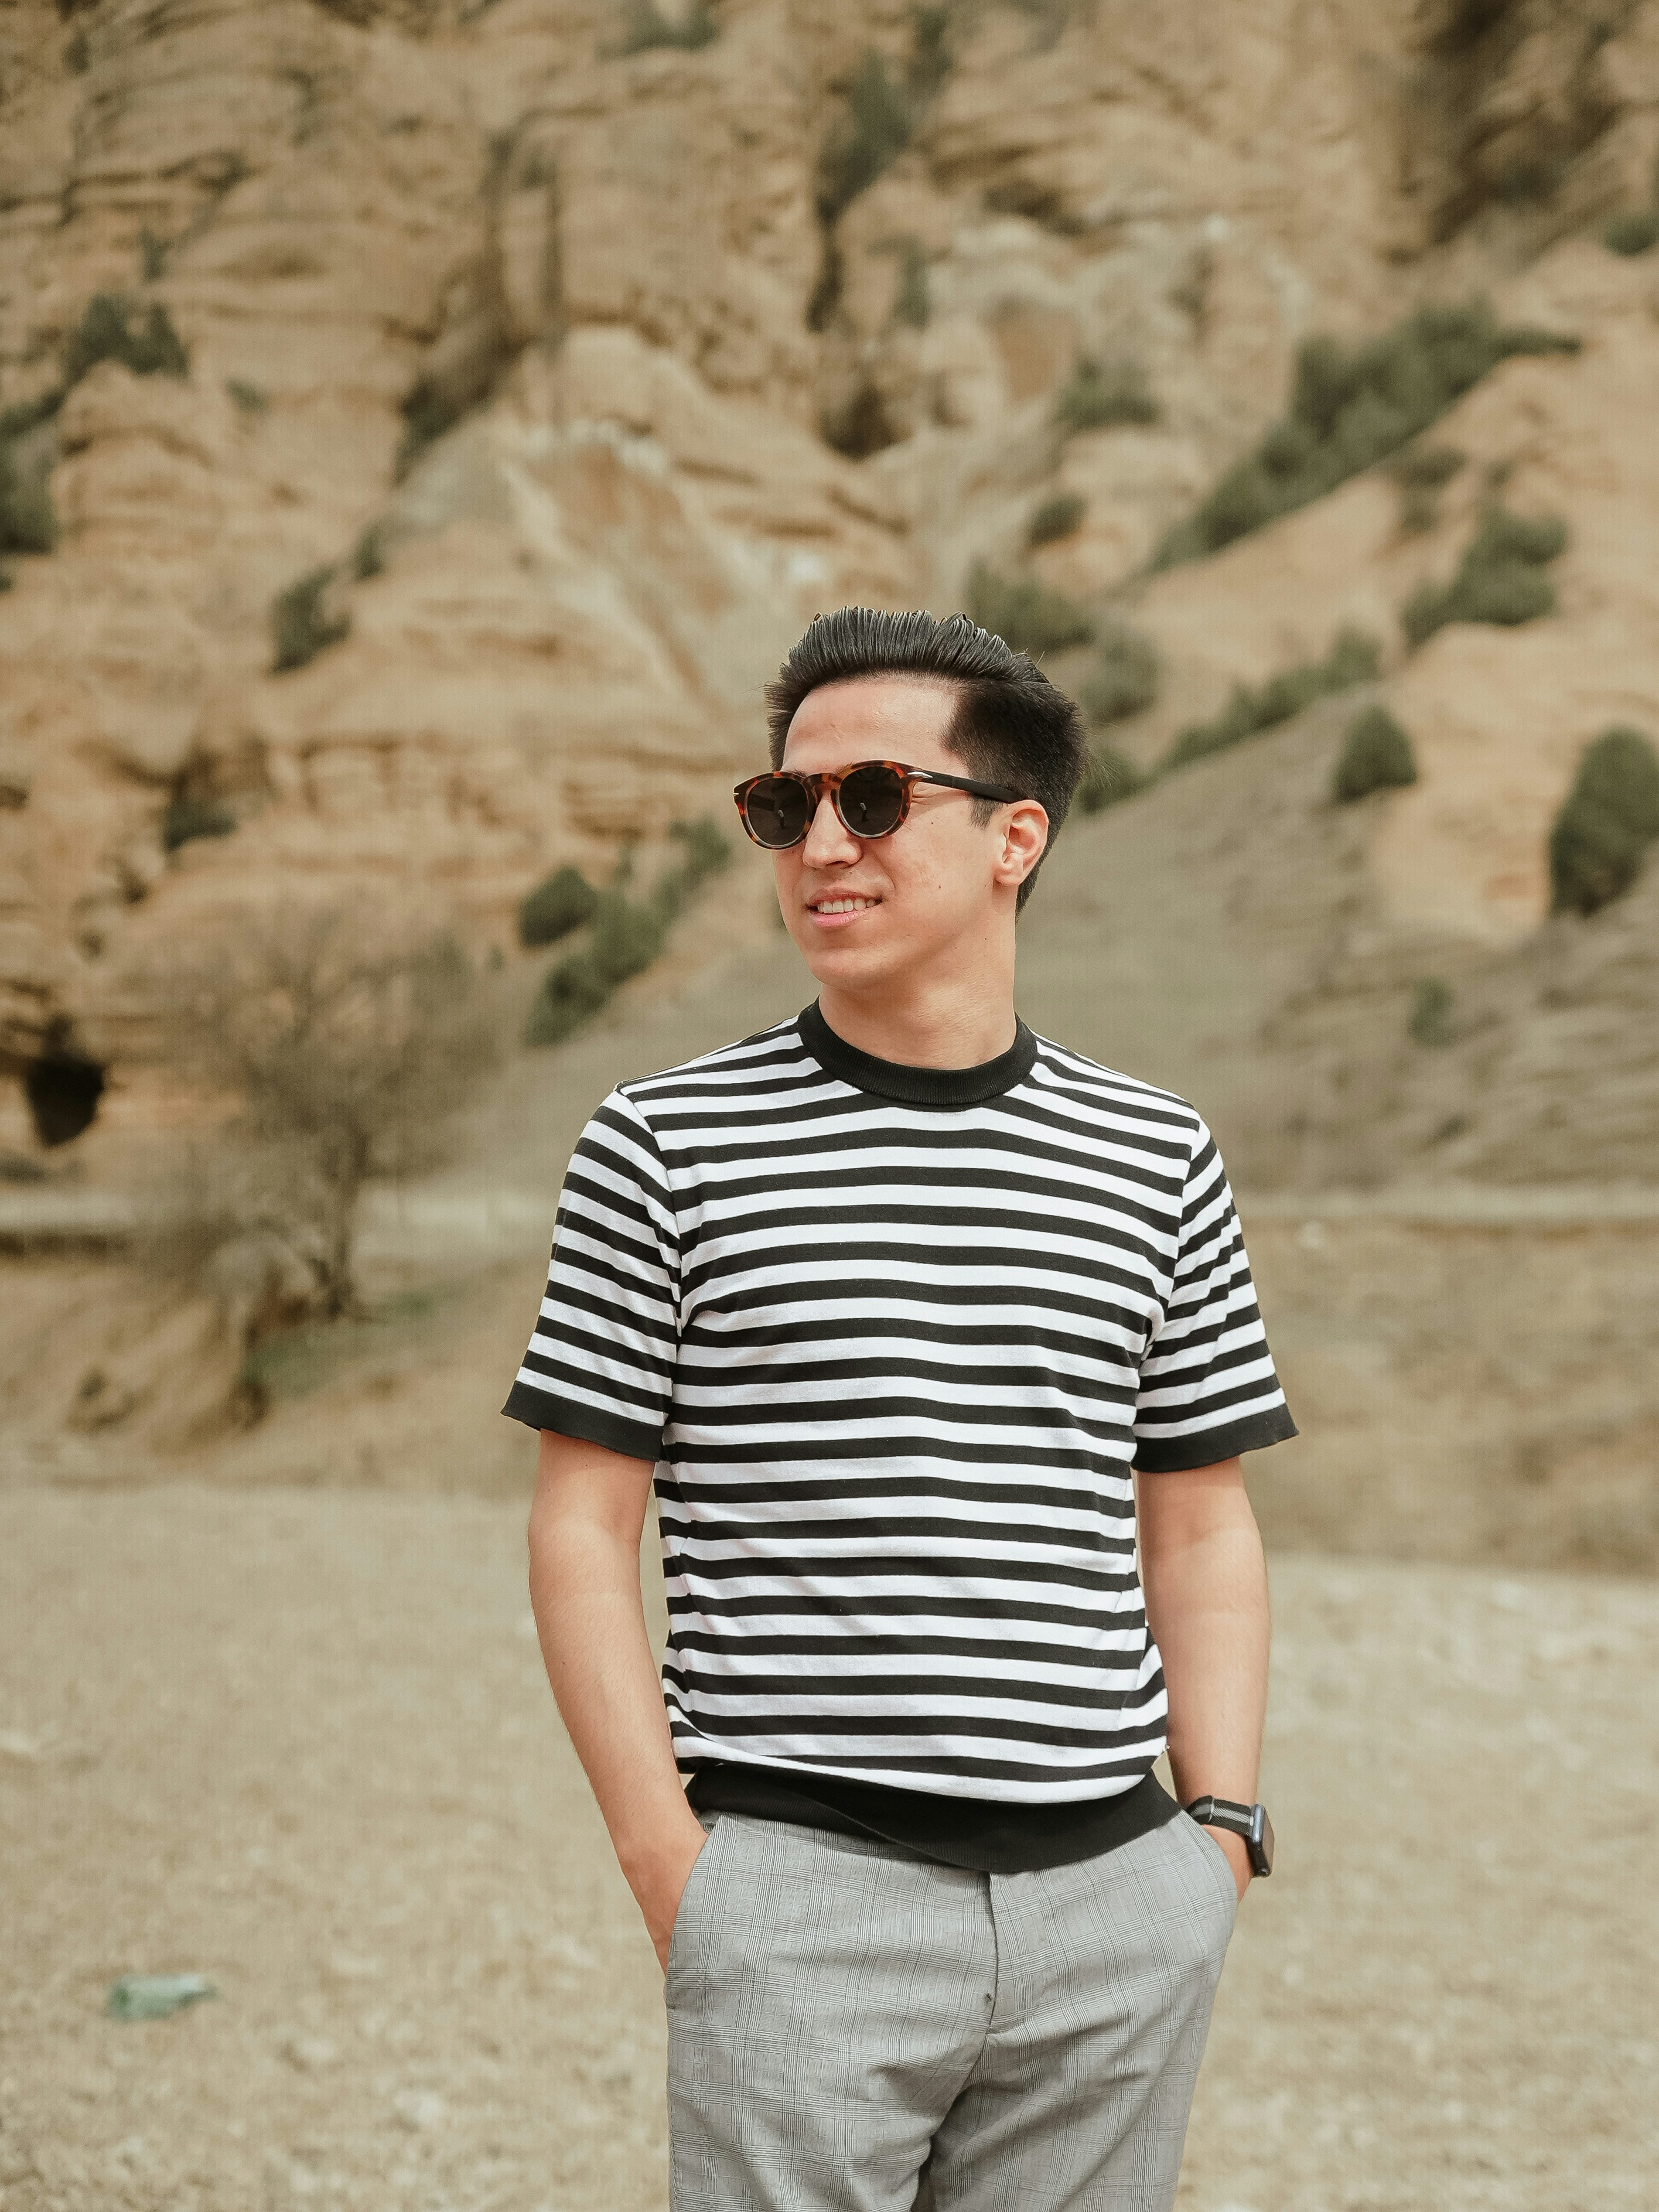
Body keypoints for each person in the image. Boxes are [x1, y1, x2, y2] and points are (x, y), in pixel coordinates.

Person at [510, 606, 1296, 2212]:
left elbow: (1203, 1520)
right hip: (801, 1901)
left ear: (1018, 836)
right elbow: (583, 1527)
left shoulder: (1158, 1152)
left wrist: (1212, 1839)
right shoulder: (662, 1145)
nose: (819, 843)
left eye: (872, 798)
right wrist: (680, 1871)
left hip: (1116, 1908)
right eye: (781, 806)